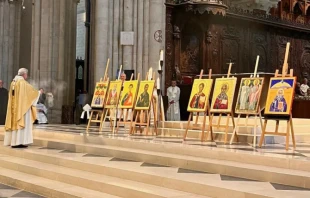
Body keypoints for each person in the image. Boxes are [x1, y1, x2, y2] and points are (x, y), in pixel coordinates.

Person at [4, 68, 39, 148]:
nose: (27, 76)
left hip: (15, 108)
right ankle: (19, 141)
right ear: (24, 74)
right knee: (21, 123)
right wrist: (38, 93)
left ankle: (14, 141)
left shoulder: (13, 82)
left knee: (14, 123)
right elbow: (31, 93)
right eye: (26, 74)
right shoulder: (22, 83)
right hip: (22, 109)